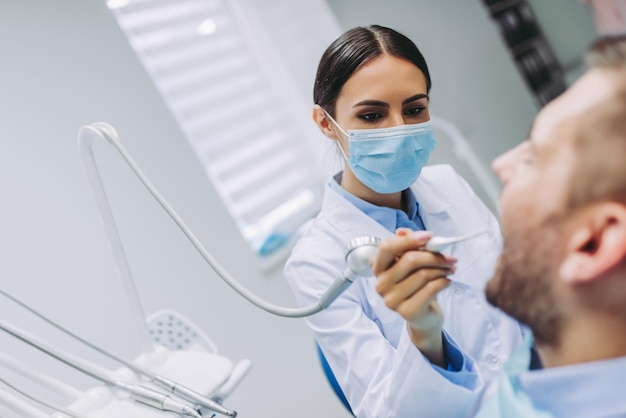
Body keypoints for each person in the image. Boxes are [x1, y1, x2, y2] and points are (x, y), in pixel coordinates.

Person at [374, 34, 626, 417]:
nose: (501, 163)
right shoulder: (539, 359)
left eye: (534, 157)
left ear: (594, 242)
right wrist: (426, 334)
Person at [283, 25, 524, 418]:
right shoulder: (317, 263)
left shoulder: (448, 184)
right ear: (326, 123)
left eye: (414, 109)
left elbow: (519, 304)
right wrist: (424, 335)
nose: (399, 129)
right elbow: (384, 412)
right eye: (372, 115)